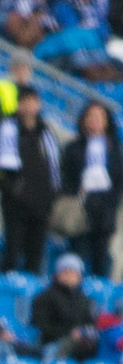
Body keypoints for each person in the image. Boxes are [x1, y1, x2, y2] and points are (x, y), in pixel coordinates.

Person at [0, 86, 59, 274]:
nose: (29, 106)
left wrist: (52, 196)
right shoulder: (7, 129)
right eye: (25, 102)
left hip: (41, 205)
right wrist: (14, 190)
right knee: (12, 251)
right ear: (19, 105)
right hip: (16, 204)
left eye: (33, 101)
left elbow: (54, 168)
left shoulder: (46, 133)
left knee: (35, 256)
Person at [59, 100, 123, 276]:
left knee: (100, 260)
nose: (94, 121)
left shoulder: (115, 151)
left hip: (104, 214)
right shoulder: (73, 148)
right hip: (79, 211)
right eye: (91, 116)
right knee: (76, 258)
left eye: (99, 117)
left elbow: (117, 182)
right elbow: (65, 177)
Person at [31, 253, 98, 360]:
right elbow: (41, 326)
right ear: (58, 274)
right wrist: (68, 333)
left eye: (74, 272)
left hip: (79, 342)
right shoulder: (45, 297)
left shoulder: (84, 299)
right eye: (66, 272)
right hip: (52, 344)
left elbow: (90, 323)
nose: (70, 276)